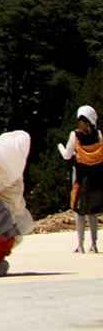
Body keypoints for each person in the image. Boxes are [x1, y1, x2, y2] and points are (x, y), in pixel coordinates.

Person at [59, 105, 103, 253]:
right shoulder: (99, 135)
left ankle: (80, 244)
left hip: (80, 177)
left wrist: (60, 147)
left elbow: (67, 155)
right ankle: (94, 245)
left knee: (79, 212)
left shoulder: (75, 135)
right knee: (93, 212)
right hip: (96, 178)